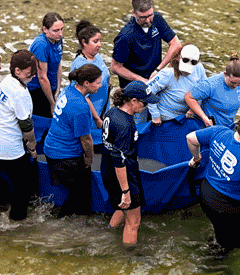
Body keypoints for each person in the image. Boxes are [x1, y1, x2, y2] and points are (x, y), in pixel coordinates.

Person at [186, 112, 240, 252]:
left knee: (219, 227)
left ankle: (216, 241)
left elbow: (190, 138)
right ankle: (218, 260)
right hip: (232, 206)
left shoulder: (220, 131)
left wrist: (196, 158)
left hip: (207, 194)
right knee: (238, 243)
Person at [0, 49, 39, 220]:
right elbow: (26, 126)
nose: (32, 77)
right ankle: (17, 221)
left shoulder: (6, 81)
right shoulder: (20, 93)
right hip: (9, 148)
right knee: (23, 185)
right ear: (17, 71)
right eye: (29, 73)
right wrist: (32, 147)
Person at [101, 81, 159, 246]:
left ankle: (108, 233)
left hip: (107, 170)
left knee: (122, 207)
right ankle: (129, 257)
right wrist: (126, 190)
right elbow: (120, 161)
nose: (146, 106)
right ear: (133, 101)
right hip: (123, 176)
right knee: (134, 221)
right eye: (144, 102)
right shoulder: (125, 126)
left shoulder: (112, 112)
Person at [43, 63, 102, 217]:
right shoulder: (79, 108)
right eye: (98, 82)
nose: (100, 85)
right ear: (86, 84)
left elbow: (85, 99)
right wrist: (89, 159)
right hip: (64, 157)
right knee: (80, 193)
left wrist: (96, 117)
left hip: (51, 148)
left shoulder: (70, 89)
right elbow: (86, 140)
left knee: (73, 190)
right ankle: (61, 219)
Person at [111, 0, 182, 88]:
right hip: (134, 86)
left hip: (155, 77)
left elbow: (176, 44)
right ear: (134, 13)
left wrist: (159, 70)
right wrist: (143, 81)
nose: (148, 21)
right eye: (143, 18)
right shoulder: (125, 36)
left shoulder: (157, 19)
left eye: (150, 15)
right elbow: (115, 67)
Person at [185, 53, 240, 127]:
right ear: (225, 75)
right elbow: (189, 97)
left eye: (239, 83)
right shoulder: (211, 84)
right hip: (208, 125)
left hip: (228, 125)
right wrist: (203, 117)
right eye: (232, 82)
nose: (235, 86)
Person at [146, 44, 206, 124]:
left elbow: (204, 89)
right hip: (165, 119)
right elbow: (147, 90)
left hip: (186, 118)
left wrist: (194, 108)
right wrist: (155, 115)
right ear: (179, 58)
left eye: (193, 62)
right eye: (185, 61)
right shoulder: (167, 74)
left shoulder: (199, 69)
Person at [70, 20, 111, 126]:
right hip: (91, 117)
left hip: (104, 108)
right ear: (84, 42)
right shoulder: (79, 65)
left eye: (100, 41)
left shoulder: (97, 56)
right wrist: (97, 119)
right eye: (95, 41)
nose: (100, 45)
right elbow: (82, 96)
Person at [27, 12, 64, 118]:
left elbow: (58, 65)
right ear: (45, 29)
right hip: (37, 90)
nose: (60, 33)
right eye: (56, 30)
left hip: (51, 86)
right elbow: (42, 77)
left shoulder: (58, 39)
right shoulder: (41, 45)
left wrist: (57, 90)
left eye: (62, 29)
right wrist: (52, 103)